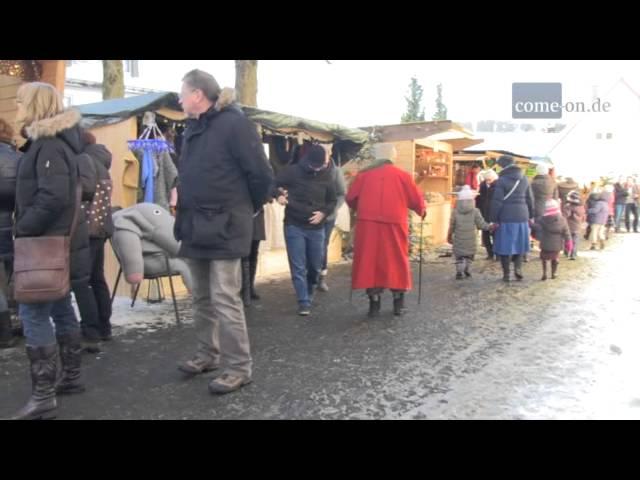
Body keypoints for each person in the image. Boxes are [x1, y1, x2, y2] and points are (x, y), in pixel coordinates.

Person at [173, 70, 273, 394]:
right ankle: (207, 354)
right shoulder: (191, 128)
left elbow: (261, 175)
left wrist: (247, 208)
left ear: (198, 95)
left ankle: (239, 367)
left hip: (227, 224)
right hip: (194, 224)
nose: (179, 99)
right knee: (201, 296)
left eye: (182, 92)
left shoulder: (234, 124)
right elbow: (190, 172)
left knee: (225, 298)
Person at [9, 82, 89, 420]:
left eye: (20, 101)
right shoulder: (52, 144)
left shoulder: (48, 147)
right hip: (55, 244)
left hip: (42, 242)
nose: (16, 106)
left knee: (34, 313)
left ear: (35, 105)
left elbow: (52, 196)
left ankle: (43, 395)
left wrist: (24, 226)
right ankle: (70, 377)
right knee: (59, 306)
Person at [346, 143, 426, 317]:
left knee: (370, 262)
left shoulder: (363, 176)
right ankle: (398, 302)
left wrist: (357, 208)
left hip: (368, 224)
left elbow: (351, 198)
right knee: (396, 260)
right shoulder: (403, 176)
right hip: (395, 223)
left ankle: (374, 304)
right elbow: (416, 199)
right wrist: (422, 210)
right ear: (393, 156)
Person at [274, 144, 336, 316]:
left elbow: (332, 200)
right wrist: (278, 194)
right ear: (308, 161)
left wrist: (323, 213)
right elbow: (273, 183)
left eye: (322, 165)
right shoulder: (292, 172)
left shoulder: (327, 174)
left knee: (315, 266)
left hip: (317, 227)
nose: (320, 167)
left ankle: (309, 290)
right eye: (317, 165)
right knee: (298, 266)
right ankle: (303, 301)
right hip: (294, 224)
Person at [490, 155, 534, 282]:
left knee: (505, 246)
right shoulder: (525, 179)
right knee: (519, 244)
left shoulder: (501, 181)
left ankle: (506, 274)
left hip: (506, 216)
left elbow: (497, 202)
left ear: (503, 166)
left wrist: (493, 219)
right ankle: (518, 269)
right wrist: (531, 215)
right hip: (522, 216)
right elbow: (530, 199)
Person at [0, 118, 20, 348]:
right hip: (15, 227)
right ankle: (17, 323)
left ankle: (4, 334)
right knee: (15, 277)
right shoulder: (19, 160)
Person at [317, 144, 346, 293]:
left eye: (326, 153)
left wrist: (332, 209)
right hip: (311, 215)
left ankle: (321, 277)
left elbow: (341, 193)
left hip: (328, 217)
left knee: (322, 245)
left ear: (330, 154)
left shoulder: (336, 172)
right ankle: (311, 276)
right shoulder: (311, 168)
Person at [447, 185, 493, 279]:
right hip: (471, 238)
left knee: (459, 256)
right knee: (469, 255)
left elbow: (452, 225)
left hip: (459, 237)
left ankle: (459, 271)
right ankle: (467, 270)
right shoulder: (475, 211)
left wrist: (449, 234)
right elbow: (481, 224)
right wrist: (490, 227)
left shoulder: (455, 211)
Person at [532, 199, 571, 280]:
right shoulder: (562, 220)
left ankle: (544, 274)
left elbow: (537, 227)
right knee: (555, 258)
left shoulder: (542, 219)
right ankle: (554, 273)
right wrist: (568, 242)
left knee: (544, 258)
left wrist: (530, 224)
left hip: (545, 243)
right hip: (557, 244)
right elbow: (566, 233)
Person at [477, 169, 498, 260]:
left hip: (494, 213)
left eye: (490, 180)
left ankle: (497, 254)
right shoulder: (482, 185)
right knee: (485, 234)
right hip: (484, 212)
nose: (488, 182)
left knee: (496, 234)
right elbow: (479, 199)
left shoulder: (498, 186)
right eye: (487, 180)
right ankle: (490, 253)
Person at [562, 190, 585, 260]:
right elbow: (583, 216)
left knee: (567, 239)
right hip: (577, 226)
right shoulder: (581, 206)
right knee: (575, 241)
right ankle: (573, 254)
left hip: (569, 226)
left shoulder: (568, 206)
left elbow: (566, 215)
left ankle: (566, 252)